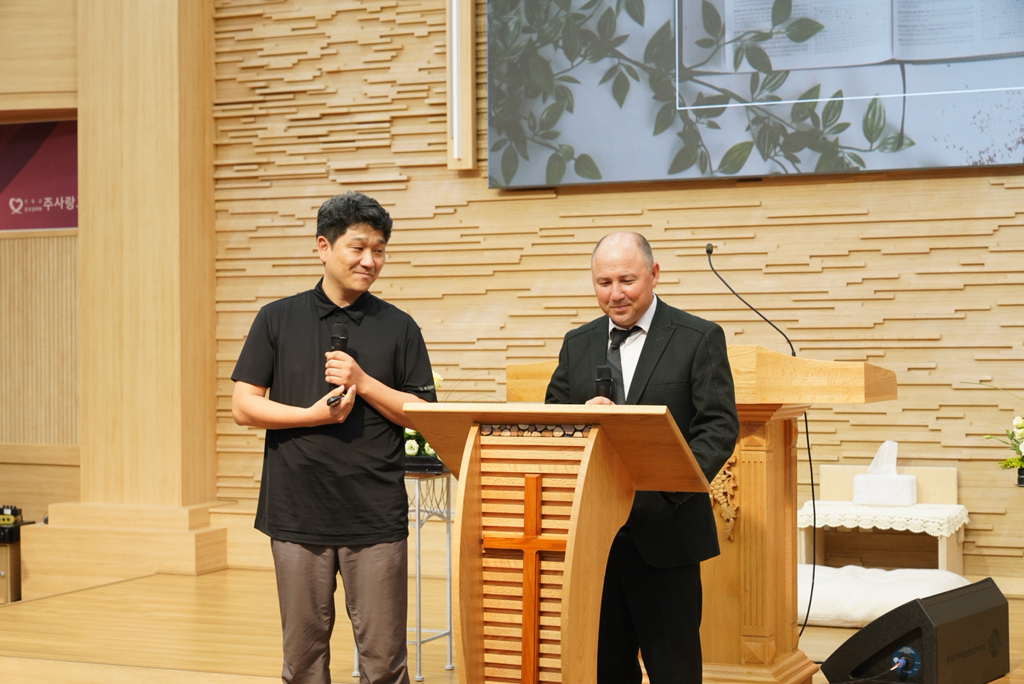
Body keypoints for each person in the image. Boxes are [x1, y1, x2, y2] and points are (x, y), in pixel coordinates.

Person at [231, 191, 437, 684]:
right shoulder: (276, 318)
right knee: (302, 663)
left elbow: (423, 415)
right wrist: (310, 417)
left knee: (385, 663)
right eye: (358, 248)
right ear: (324, 247)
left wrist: (364, 381)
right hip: (297, 512)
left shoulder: (399, 327)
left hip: (375, 514)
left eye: (379, 250)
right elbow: (244, 406)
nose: (370, 261)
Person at [545, 232, 739, 684]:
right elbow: (552, 423)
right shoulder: (577, 343)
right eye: (604, 282)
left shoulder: (698, 337)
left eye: (627, 280)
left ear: (654, 274)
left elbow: (718, 428)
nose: (615, 294)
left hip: (667, 533)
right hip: (596, 539)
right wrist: (579, 418)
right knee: (604, 669)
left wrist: (667, 489)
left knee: (674, 671)